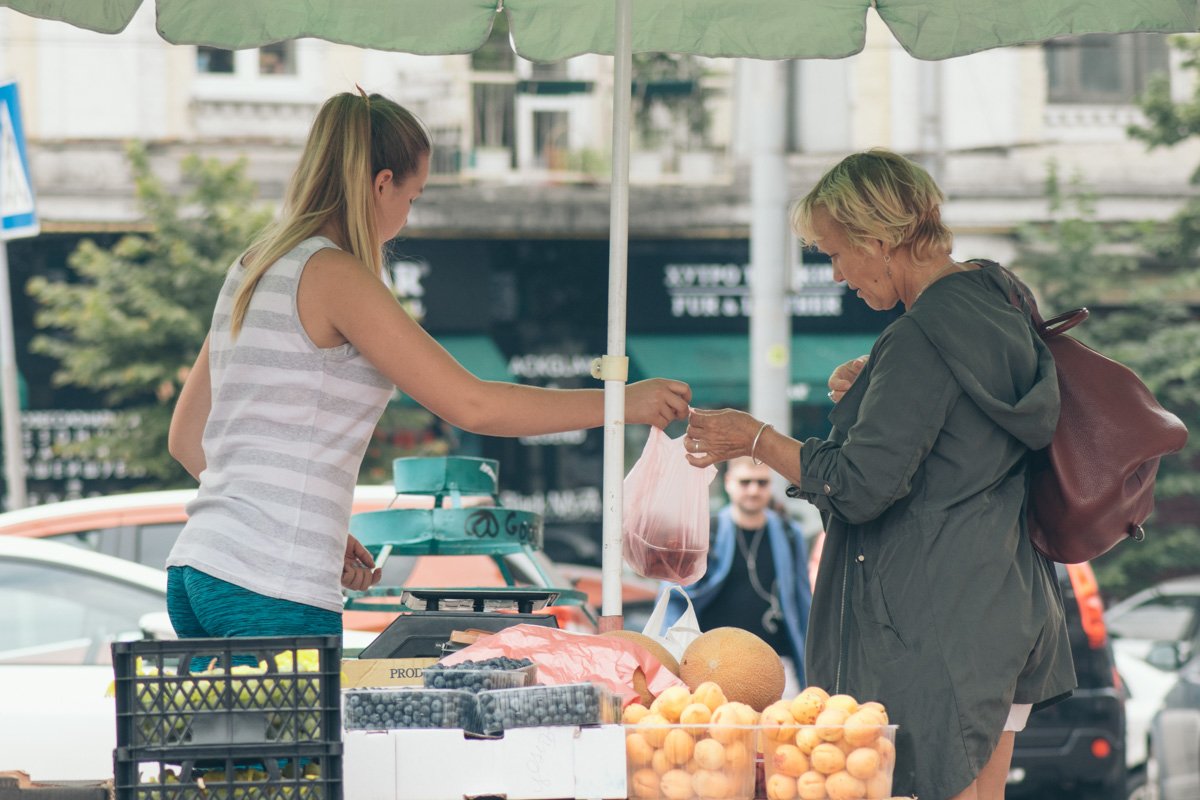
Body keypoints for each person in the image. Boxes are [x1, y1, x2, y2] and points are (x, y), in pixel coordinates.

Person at [165, 90, 691, 641]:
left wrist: (305, 522)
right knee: (299, 730)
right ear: (381, 184)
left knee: (235, 730)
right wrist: (620, 402)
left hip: (199, 567)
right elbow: (472, 404)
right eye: (412, 198)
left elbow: (186, 438)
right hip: (269, 582)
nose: (407, 215)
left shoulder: (252, 265)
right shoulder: (336, 275)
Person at [680, 148, 1074, 800]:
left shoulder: (922, 336)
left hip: (937, 630)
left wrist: (755, 438)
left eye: (836, 253)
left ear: (882, 240)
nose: (835, 274)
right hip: (1004, 609)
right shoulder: (995, 297)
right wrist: (875, 392)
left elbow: (860, 485)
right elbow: (957, 433)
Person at [666, 456, 812, 694]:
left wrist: (810, 665)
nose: (753, 490)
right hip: (713, 668)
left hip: (775, 668)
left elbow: (802, 601)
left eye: (761, 483)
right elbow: (676, 596)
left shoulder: (789, 534)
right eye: (745, 482)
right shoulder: (706, 532)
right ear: (728, 482)